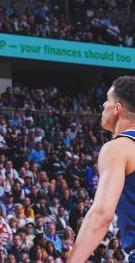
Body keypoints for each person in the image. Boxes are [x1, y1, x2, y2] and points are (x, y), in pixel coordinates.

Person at [69, 76, 135, 262]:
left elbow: (101, 215)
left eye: (108, 99)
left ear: (117, 108)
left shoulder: (119, 147)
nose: (103, 104)